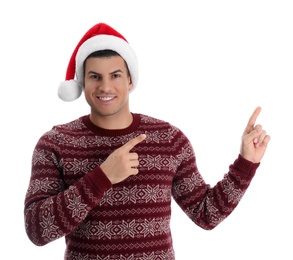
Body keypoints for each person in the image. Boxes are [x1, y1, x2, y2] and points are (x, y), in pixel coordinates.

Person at [24, 23, 270, 260]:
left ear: (130, 81)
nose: (105, 86)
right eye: (95, 76)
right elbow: (37, 230)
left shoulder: (169, 140)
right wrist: (102, 176)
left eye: (115, 75)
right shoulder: (56, 144)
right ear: (83, 82)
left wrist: (246, 163)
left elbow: (206, 214)